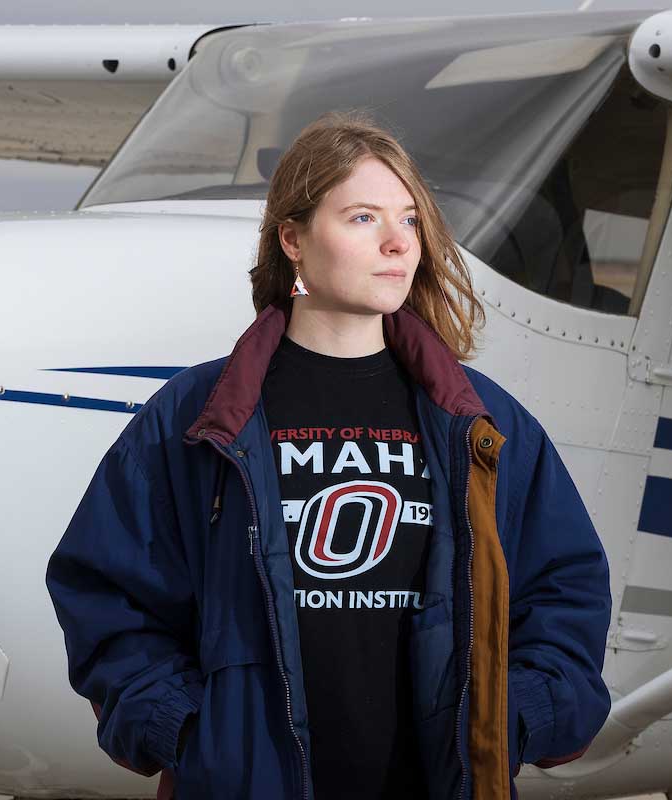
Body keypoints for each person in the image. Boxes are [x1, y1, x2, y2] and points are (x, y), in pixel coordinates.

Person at [46, 112, 611, 800]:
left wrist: (507, 721)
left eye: (409, 220)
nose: (398, 243)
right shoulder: (198, 415)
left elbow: (563, 591)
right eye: (364, 218)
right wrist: (192, 734)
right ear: (293, 239)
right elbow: (106, 592)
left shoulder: (479, 423)